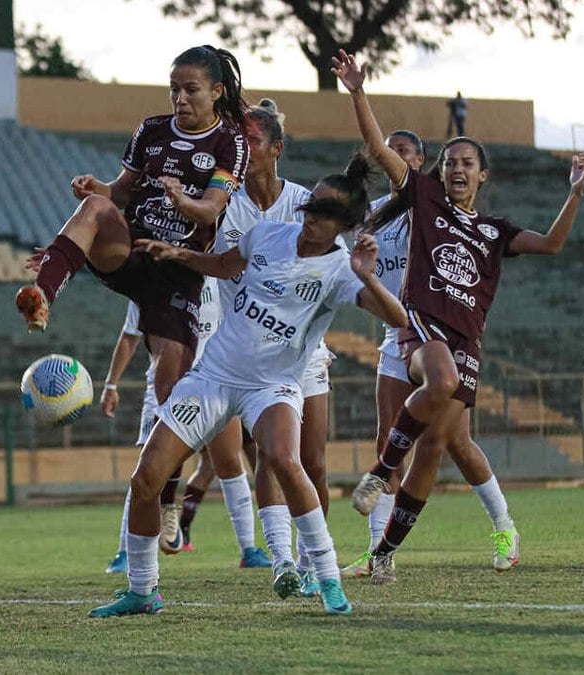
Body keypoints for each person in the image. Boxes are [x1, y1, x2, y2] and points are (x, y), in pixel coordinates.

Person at [88, 154, 408, 618]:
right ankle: (142, 590)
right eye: (310, 206)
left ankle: (328, 577)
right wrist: (180, 254)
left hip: (273, 385)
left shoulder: (341, 269)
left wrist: (366, 277)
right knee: (146, 477)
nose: (310, 217)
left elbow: (397, 318)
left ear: (344, 224)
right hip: (215, 375)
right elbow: (224, 265)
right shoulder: (267, 235)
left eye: (322, 213)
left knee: (283, 459)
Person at [332, 49, 584, 583]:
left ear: (482, 176)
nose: (454, 169)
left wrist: (574, 193)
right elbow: (380, 148)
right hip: (415, 326)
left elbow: (551, 243)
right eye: (448, 162)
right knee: (412, 417)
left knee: (439, 447)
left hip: (465, 338)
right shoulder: (421, 197)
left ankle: (390, 551)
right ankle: (381, 477)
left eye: (465, 163)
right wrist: (359, 93)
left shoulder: (494, 230)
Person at [15, 45, 249, 525]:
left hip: (179, 269)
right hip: (131, 251)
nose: (179, 99)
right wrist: (96, 189)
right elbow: (120, 192)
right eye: (174, 88)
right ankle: (43, 294)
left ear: (217, 91)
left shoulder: (230, 143)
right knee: (97, 212)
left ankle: (165, 494)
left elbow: (210, 210)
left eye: (191, 90)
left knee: (171, 387)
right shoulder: (151, 130)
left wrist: (182, 199)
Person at [208, 98, 337, 596]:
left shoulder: (305, 204)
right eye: (237, 142)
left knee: (314, 462)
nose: (243, 150)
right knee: (270, 454)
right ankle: (283, 559)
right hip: (252, 354)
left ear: (276, 149)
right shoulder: (223, 203)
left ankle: (311, 560)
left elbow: (331, 271)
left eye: (252, 142)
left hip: (304, 352)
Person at [101, 281, 271, 572]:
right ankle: (125, 552)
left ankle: (250, 549)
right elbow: (130, 336)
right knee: (149, 466)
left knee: (229, 461)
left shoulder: (219, 279)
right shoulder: (153, 280)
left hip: (215, 379)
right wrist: (110, 384)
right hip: (166, 382)